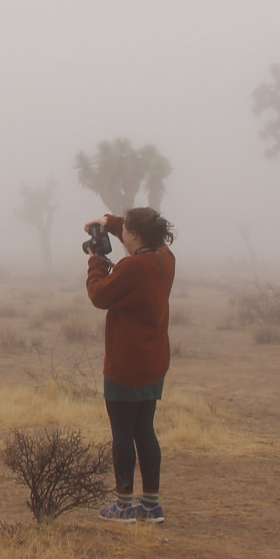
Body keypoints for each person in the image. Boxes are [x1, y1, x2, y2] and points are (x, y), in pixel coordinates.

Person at [83, 206, 177, 523]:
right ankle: (151, 505)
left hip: (125, 363)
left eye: (126, 231)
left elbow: (99, 295)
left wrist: (96, 261)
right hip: (153, 362)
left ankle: (123, 505)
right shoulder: (165, 259)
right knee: (144, 431)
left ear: (134, 235)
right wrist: (110, 224)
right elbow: (144, 233)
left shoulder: (133, 267)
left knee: (122, 434)